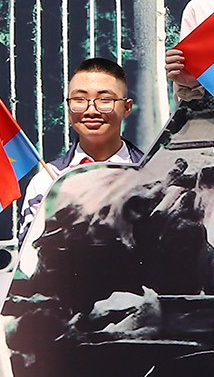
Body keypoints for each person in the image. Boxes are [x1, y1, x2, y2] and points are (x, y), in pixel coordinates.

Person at [17, 57, 146, 250]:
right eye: (79, 100)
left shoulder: (150, 173)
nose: (91, 110)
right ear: (69, 107)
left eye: (105, 100)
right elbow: (29, 256)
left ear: (127, 107)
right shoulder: (46, 181)